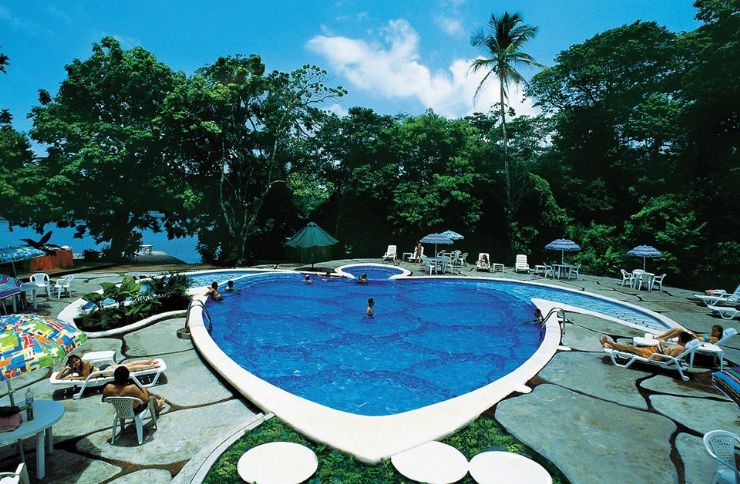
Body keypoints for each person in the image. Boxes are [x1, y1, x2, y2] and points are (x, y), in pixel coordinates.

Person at [57, 355, 161, 380]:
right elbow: (58, 377)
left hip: (105, 371)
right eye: (74, 362)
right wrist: (65, 369)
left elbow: (85, 378)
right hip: (105, 369)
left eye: (77, 359)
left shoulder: (85, 365)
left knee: (131, 367)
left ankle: (150, 365)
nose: (77, 362)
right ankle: (149, 363)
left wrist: (71, 377)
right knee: (130, 365)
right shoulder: (73, 369)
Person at [599, 331, 693, 359]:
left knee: (630, 348)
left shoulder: (679, 348)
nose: (677, 337)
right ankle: (610, 346)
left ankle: (609, 343)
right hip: (655, 351)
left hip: (655, 356)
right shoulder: (679, 345)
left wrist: (661, 349)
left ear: (681, 338)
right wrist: (662, 346)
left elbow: (668, 358)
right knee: (631, 348)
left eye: (679, 337)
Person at [653, 325, 723, 344]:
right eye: (712, 330)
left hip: (694, 342)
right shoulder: (711, 335)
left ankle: (664, 339)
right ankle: (661, 336)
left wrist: (694, 336)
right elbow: (700, 336)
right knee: (678, 328)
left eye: (714, 331)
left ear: (719, 332)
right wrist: (694, 334)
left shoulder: (715, 339)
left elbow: (703, 343)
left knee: (679, 330)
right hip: (693, 339)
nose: (712, 331)